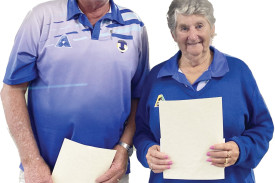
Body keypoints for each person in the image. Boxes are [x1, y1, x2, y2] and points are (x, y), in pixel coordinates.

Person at [0, 0, 149, 182]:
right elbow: (12, 89)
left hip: (108, 172)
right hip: (46, 173)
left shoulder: (134, 25)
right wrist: (31, 161)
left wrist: (125, 147)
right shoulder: (42, 18)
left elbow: (140, 97)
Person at [133, 0, 274, 182]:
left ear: (212, 28)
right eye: (184, 28)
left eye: (199, 26)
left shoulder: (238, 72)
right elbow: (141, 131)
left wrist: (241, 149)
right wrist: (147, 151)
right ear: (173, 34)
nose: (193, 36)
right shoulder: (156, 78)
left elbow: (263, 128)